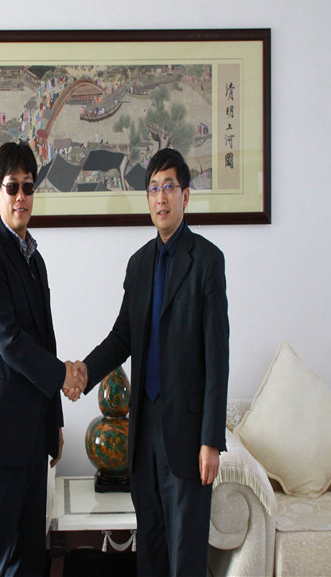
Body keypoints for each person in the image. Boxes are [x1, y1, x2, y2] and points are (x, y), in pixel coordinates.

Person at [71, 147, 229, 577]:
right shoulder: (139, 264)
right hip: (143, 433)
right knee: (152, 554)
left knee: (186, 557)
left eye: (169, 187)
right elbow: (122, 336)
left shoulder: (207, 261)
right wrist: (84, 373)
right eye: (154, 188)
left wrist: (211, 439)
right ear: (147, 198)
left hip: (189, 437)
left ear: (185, 195)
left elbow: (218, 358)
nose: (161, 198)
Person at [0, 142, 86, 577]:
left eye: (28, 187)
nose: (21, 197)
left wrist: (54, 421)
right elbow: (10, 341)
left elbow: (45, 342)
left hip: (35, 434)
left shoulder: (36, 259)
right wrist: (65, 375)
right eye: (12, 187)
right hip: (0, 439)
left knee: (31, 560)